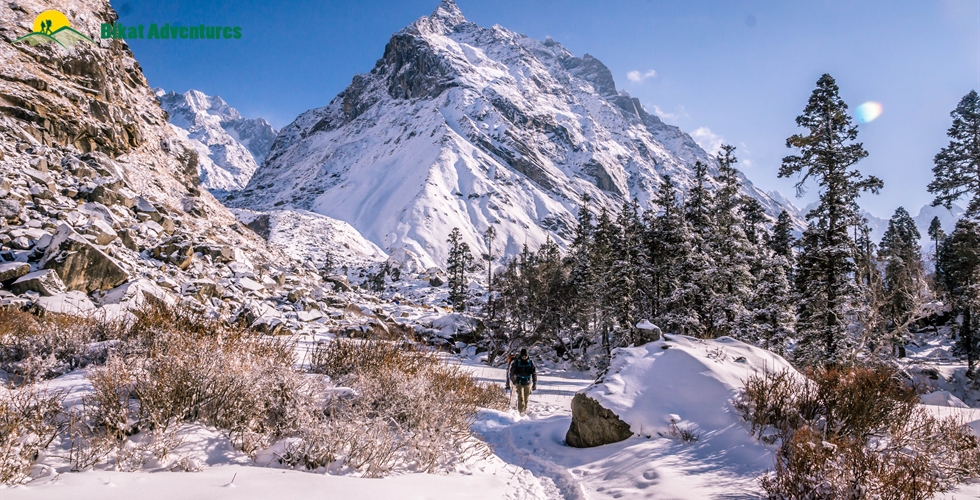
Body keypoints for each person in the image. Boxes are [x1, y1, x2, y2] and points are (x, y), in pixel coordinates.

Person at [505, 348, 537, 416]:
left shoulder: (530, 362)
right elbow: (513, 372)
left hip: (527, 382)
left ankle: (524, 410)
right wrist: (514, 380)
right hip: (519, 382)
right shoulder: (517, 362)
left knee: (526, 398)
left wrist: (534, 383)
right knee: (521, 397)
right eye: (523, 356)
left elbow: (534, 373)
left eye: (525, 356)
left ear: (527, 356)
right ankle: (521, 411)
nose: (524, 358)